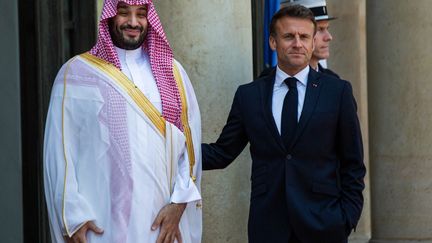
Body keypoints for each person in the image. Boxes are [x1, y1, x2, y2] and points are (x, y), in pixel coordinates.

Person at [202, 4, 365, 243]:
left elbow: (353, 164)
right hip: (268, 228)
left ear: (311, 43)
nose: (297, 43)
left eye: (304, 37)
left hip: (324, 226)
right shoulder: (249, 95)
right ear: (272, 42)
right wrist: (172, 149)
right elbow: (222, 152)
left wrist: (346, 218)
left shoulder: (337, 92)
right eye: (289, 36)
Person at [43, 0, 202, 242]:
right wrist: (72, 217)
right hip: (101, 222)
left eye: (141, 14)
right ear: (108, 18)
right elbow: (60, 150)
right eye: (124, 13)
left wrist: (179, 204)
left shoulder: (174, 73)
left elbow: (188, 149)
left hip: (161, 223)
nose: (133, 22)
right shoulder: (75, 73)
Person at [260, 0, 340, 79]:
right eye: (320, 29)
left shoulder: (335, 82)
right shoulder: (265, 81)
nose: (329, 37)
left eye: (327, 29)